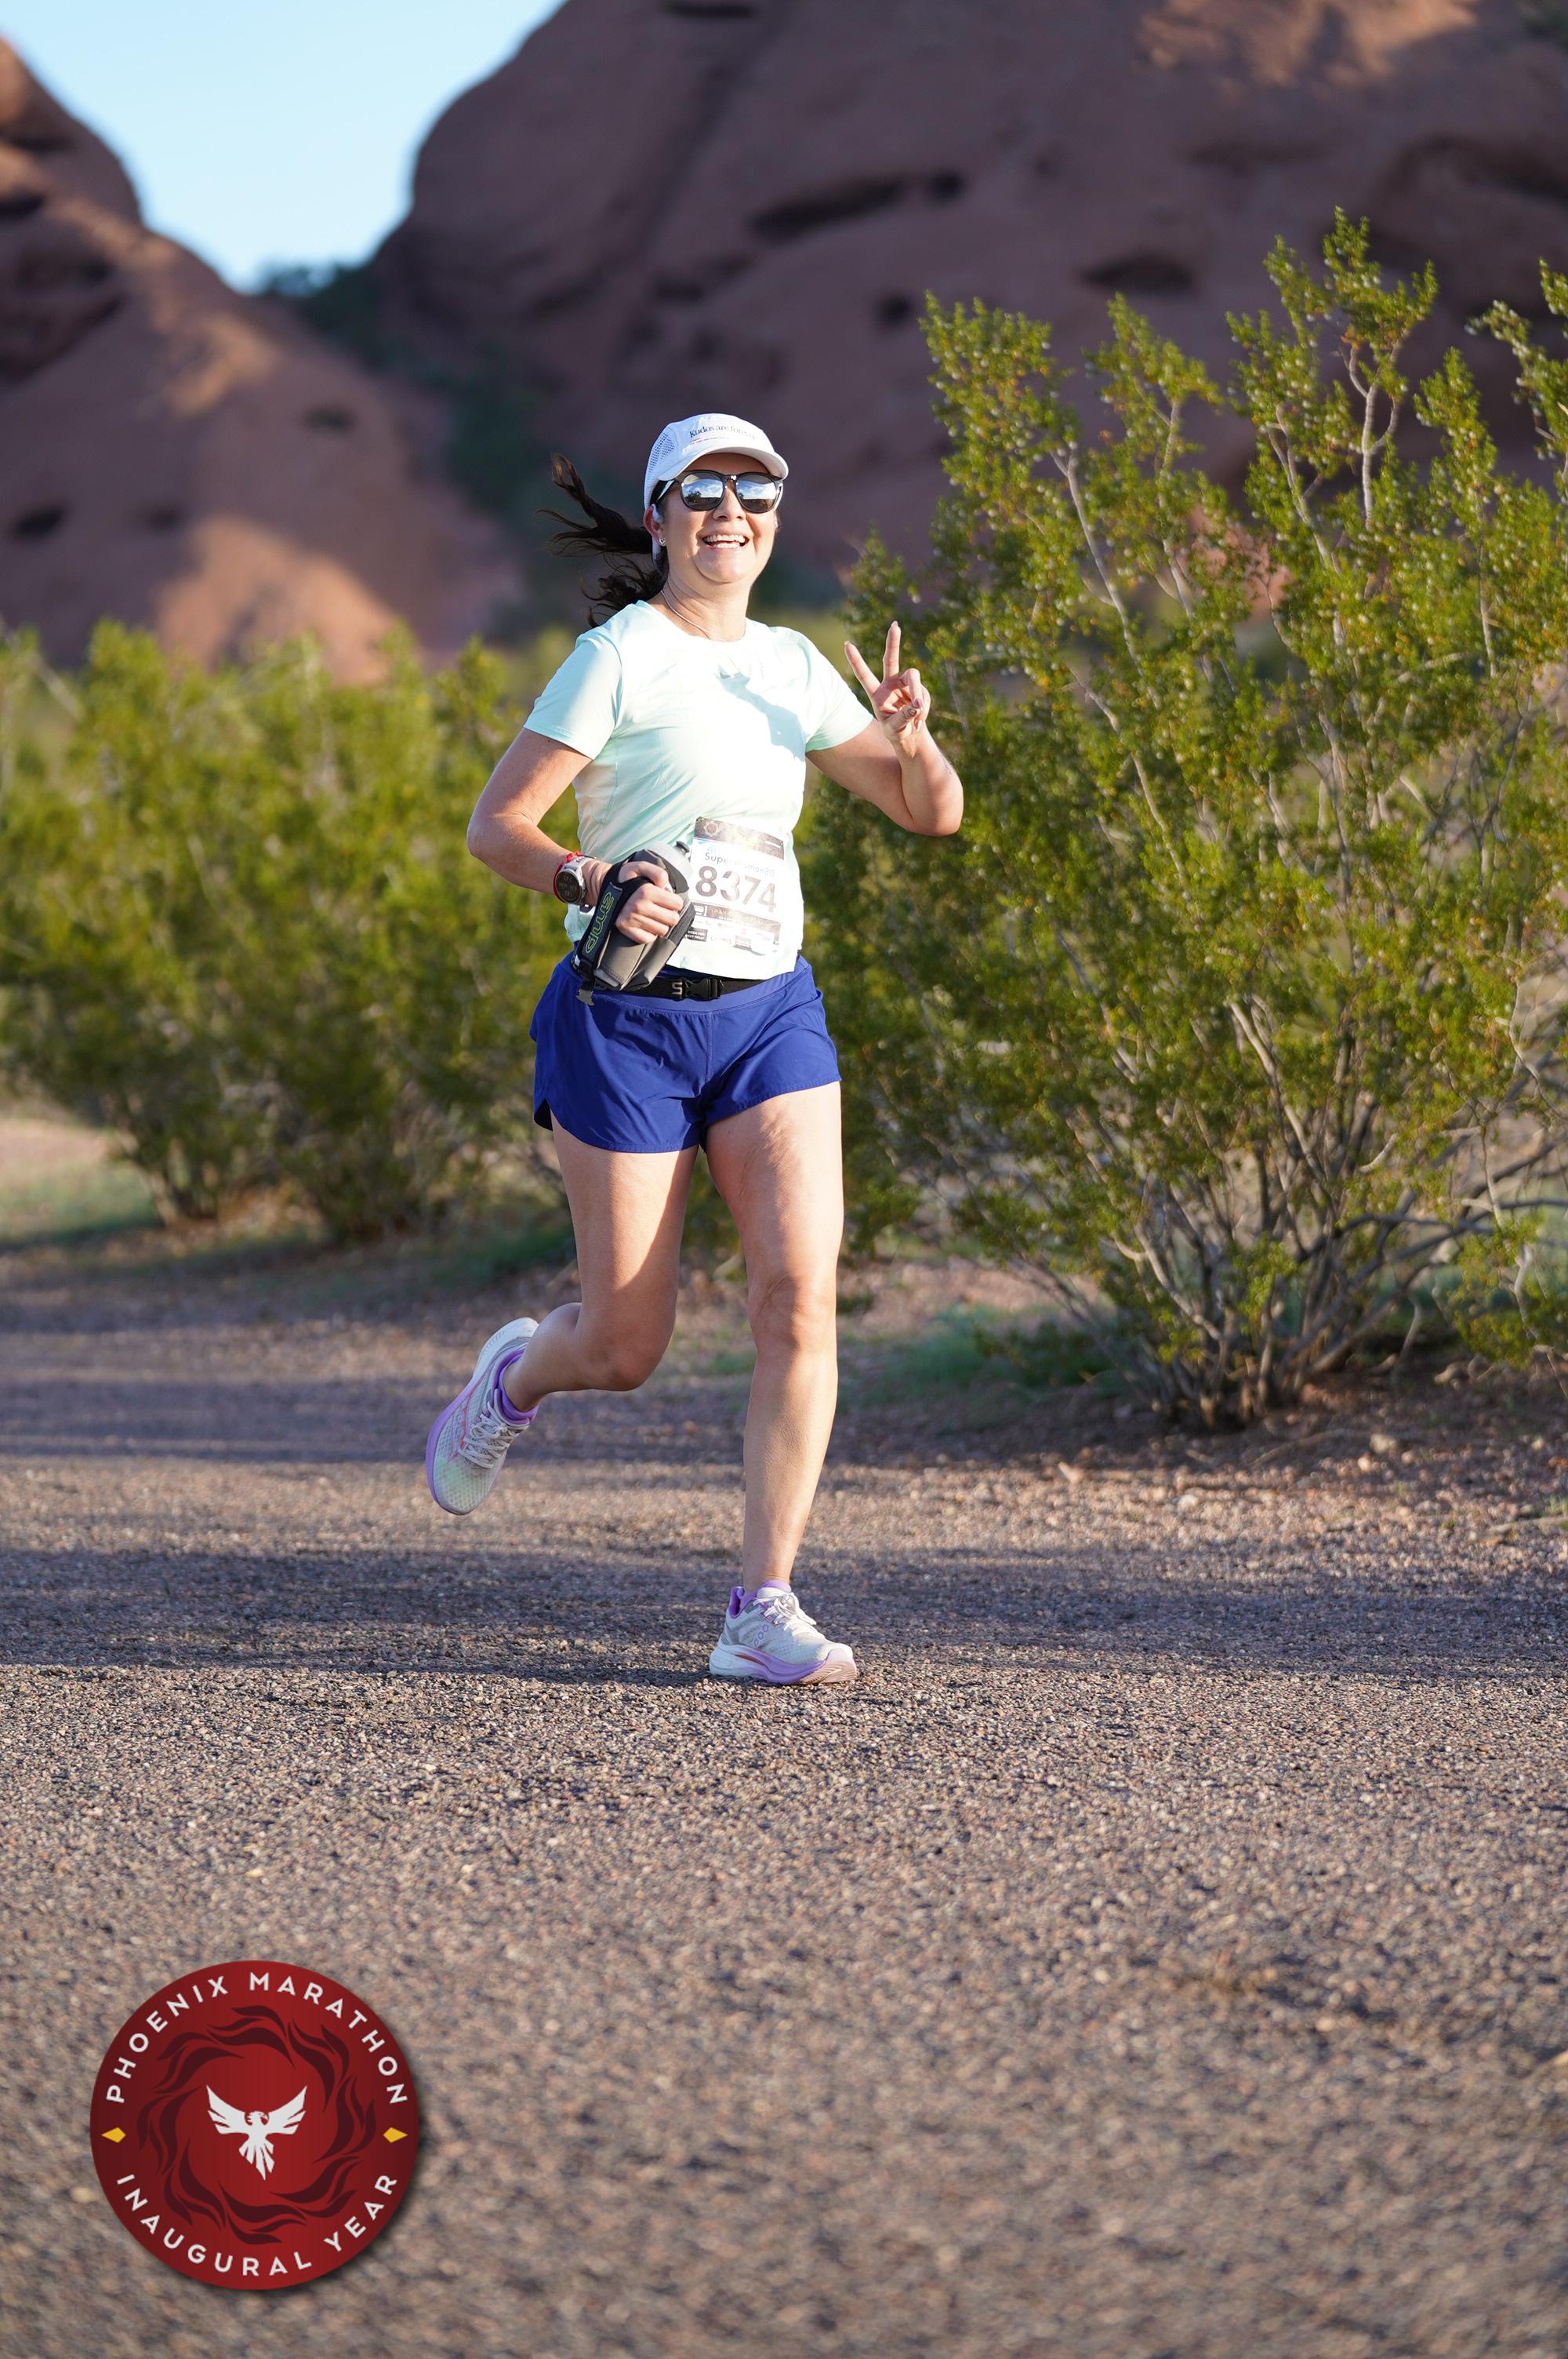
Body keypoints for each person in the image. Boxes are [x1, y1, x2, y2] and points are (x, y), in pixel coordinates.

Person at [424, 412, 963, 1684]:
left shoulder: (791, 665)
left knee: (799, 1295)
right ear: (662, 515)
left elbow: (928, 815)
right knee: (625, 1347)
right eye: (706, 492)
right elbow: (497, 827)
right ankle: (514, 1381)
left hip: (770, 1012)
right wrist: (587, 876)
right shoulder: (619, 656)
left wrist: (913, 734)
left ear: (775, 519)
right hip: (628, 1023)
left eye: (756, 493)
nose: (733, 513)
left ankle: (760, 1607)